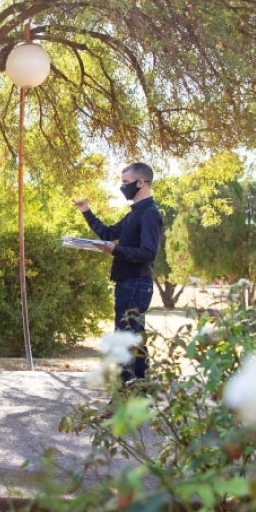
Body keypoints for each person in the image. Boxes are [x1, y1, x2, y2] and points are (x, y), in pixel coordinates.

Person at [73, 162, 164, 385]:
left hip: (136, 284)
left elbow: (147, 253)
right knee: (133, 340)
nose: (122, 187)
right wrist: (87, 212)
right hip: (127, 283)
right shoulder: (134, 214)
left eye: (125, 182)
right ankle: (137, 391)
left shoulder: (150, 214)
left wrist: (116, 250)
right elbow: (108, 233)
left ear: (141, 182)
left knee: (125, 341)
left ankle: (125, 395)